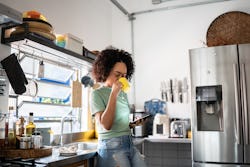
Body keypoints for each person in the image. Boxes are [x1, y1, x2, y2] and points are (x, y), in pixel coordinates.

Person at [91, 47, 147, 167]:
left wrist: (133, 124)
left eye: (124, 75)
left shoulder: (123, 94)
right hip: (111, 147)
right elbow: (106, 125)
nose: (122, 79)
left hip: (129, 144)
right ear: (105, 71)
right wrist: (113, 93)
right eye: (117, 74)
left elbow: (118, 124)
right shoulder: (97, 94)